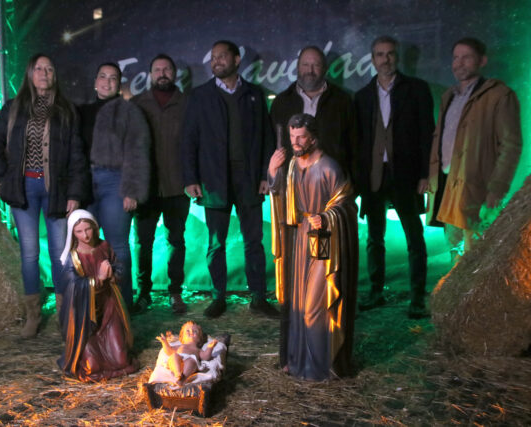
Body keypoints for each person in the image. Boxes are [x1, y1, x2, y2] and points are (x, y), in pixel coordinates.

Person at [0, 53, 88, 338]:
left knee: (60, 254)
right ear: (30, 73)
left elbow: (77, 154)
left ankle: (65, 314)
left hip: (56, 190)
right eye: (39, 68)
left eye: (49, 69)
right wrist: (2, 178)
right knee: (29, 254)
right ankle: (33, 316)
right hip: (24, 187)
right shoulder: (13, 108)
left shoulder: (66, 110)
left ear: (55, 75)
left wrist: (75, 193)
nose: (44, 73)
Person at [181, 40, 277, 318]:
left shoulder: (254, 94)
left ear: (236, 60)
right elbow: (188, 140)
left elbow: (266, 138)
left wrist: (266, 175)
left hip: (249, 180)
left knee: (254, 242)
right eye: (213, 57)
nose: (216, 61)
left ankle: (258, 297)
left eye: (222, 56)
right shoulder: (200, 96)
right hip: (213, 181)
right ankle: (218, 297)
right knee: (216, 244)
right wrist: (191, 178)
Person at [268, 114, 358, 381]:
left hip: (324, 244)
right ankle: (298, 361)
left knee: (314, 305)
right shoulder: (292, 166)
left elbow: (346, 205)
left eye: (301, 137)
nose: (295, 143)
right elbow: (281, 197)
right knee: (296, 305)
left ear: (314, 138)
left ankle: (321, 365)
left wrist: (327, 217)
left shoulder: (329, 168)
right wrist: (273, 171)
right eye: (292, 137)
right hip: (298, 242)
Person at [354, 36, 434, 318]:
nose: (385, 59)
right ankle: (376, 292)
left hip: (406, 175)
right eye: (380, 54)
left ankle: (417, 297)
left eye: (389, 54)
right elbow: (358, 142)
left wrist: (425, 174)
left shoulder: (417, 89)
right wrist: (359, 181)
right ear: (372, 59)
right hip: (374, 177)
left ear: (397, 57)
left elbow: (427, 134)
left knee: (415, 237)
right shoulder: (362, 96)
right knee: (375, 238)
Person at [427, 37, 522, 260]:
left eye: (466, 57)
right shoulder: (449, 97)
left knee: (478, 258)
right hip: (448, 186)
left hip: (477, 189)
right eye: (455, 58)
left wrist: (497, 188)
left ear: (482, 61)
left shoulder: (499, 95)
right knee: (455, 254)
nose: (459, 63)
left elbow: (511, 145)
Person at [79, 62, 151, 307]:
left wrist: (132, 190)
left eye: (113, 78)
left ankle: (122, 307)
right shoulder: (81, 112)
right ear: (95, 82)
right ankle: (93, 305)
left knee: (117, 245)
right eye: (103, 76)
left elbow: (138, 151)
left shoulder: (130, 112)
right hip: (86, 181)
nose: (107, 81)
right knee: (85, 244)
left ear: (119, 84)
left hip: (116, 180)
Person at [131, 54, 189, 314]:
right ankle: (143, 293)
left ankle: (175, 292)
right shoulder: (136, 104)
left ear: (174, 73)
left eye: (167, 69)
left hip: (178, 186)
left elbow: (195, 144)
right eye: (157, 69)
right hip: (145, 188)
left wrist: (193, 179)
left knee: (176, 240)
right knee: (143, 242)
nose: (162, 73)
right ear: (150, 74)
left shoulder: (187, 103)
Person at [57, 209, 137, 381]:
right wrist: (98, 279)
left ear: (94, 227)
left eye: (88, 229)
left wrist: (113, 273)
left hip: (109, 307)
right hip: (86, 317)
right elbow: (71, 285)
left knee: (122, 361)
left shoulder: (104, 246)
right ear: (73, 233)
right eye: (79, 231)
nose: (85, 235)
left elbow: (119, 267)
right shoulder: (73, 257)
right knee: (91, 367)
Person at [270, 45, 356, 177]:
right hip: (291, 181)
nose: (310, 70)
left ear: (324, 68)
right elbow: (271, 143)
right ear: (297, 67)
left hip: (331, 180)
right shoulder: (281, 102)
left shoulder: (342, 101)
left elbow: (354, 145)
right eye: (305, 64)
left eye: (316, 65)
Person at [156, 321, 217, 386]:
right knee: (174, 356)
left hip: (190, 362)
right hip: (179, 359)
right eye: (188, 330)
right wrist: (164, 342)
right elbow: (169, 351)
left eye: (195, 331)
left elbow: (205, 357)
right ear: (182, 337)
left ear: (199, 339)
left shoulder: (198, 350)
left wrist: (210, 348)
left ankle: (183, 379)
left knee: (191, 361)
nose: (191, 331)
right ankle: (177, 373)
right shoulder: (179, 346)